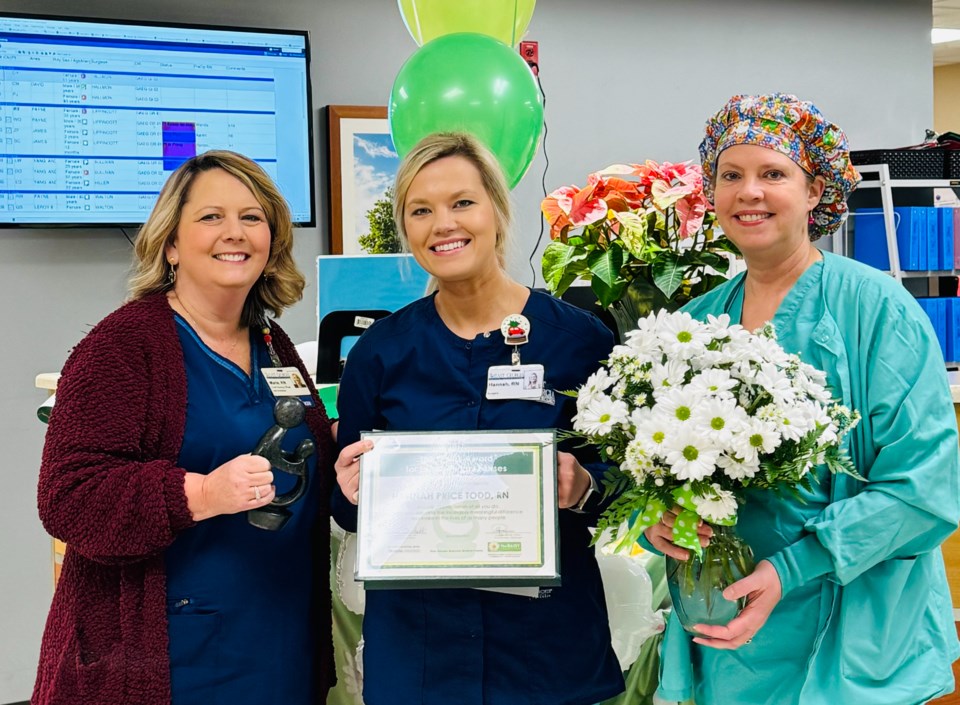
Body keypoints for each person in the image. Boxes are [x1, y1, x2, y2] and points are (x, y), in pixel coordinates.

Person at [645, 93, 960, 705]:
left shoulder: (876, 310)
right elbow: (659, 472)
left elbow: (923, 488)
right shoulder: (692, 324)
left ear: (816, 191)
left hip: (852, 625)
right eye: (730, 175)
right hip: (731, 637)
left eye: (773, 174)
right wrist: (656, 521)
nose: (749, 192)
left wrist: (790, 568)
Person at [33, 151, 336, 705]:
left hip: (279, 640)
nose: (235, 233)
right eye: (210, 217)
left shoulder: (271, 343)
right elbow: (68, 497)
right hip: (171, 660)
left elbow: (298, 447)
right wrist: (198, 492)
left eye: (252, 217)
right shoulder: (123, 346)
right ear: (171, 243)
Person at [331, 132, 625, 705]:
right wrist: (348, 489)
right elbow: (349, 511)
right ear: (406, 228)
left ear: (496, 209)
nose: (443, 224)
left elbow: (627, 479)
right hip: (421, 656)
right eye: (421, 210)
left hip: (544, 652)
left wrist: (585, 484)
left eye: (462, 202)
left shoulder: (580, 341)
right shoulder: (380, 354)